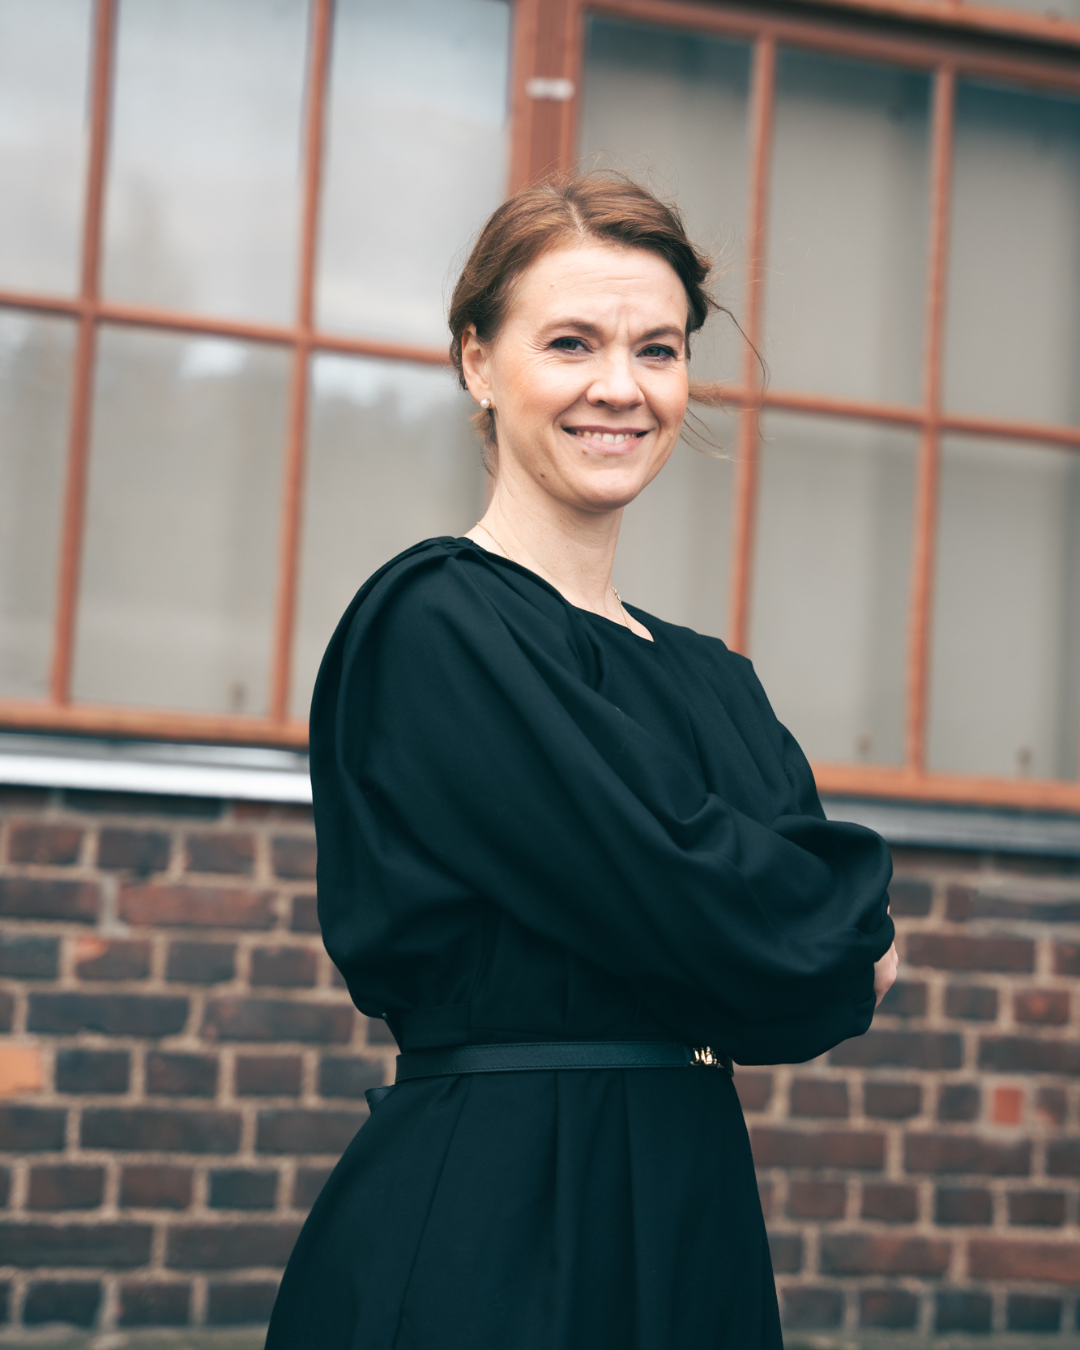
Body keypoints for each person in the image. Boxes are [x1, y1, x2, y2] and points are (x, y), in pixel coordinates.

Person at [265, 173, 898, 1350]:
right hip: (498, 1220)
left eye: (657, 349)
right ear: (477, 362)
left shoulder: (714, 677)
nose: (621, 387)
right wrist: (804, 923)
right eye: (571, 342)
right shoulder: (436, 623)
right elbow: (742, 906)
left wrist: (803, 928)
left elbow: (807, 974)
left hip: (695, 1209)